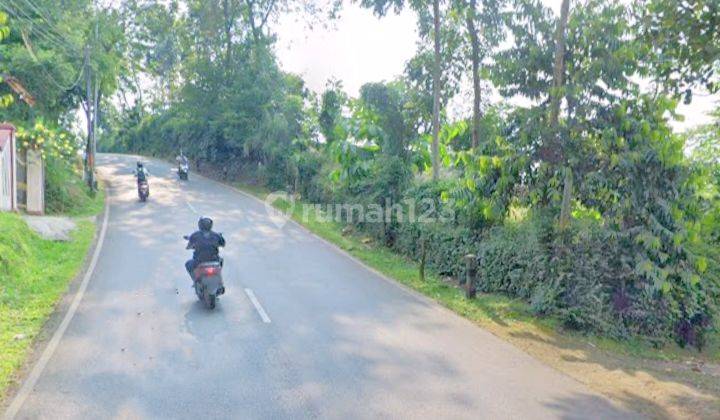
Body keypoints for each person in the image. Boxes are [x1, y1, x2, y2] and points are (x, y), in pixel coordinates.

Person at [185, 217, 225, 282]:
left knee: (188, 264)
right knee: (221, 261)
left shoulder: (195, 235)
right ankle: (219, 280)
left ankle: (196, 280)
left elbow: (188, 246)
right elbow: (223, 244)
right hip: (214, 260)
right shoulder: (216, 235)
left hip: (199, 261)